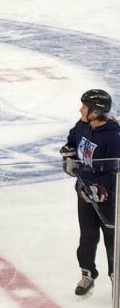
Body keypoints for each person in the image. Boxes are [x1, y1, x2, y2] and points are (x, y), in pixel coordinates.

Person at [61, 89, 120, 296]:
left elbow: (116, 171)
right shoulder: (82, 126)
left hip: (110, 201)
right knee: (87, 236)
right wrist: (68, 157)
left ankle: (117, 278)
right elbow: (71, 142)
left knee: (112, 240)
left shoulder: (114, 137)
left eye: (85, 107)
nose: (81, 110)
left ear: (96, 112)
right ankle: (87, 274)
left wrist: (101, 189)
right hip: (84, 195)